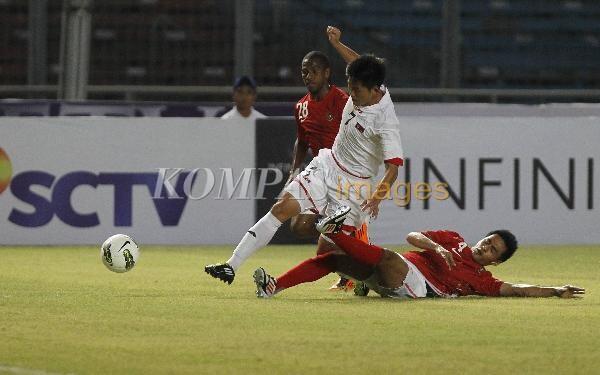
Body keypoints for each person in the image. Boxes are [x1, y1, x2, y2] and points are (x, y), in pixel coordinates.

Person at [205, 26, 404, 285]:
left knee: (328, 255)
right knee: (281, 209)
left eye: (357, 91)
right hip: (328, 164)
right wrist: (337, 43)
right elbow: (360, 64)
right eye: (350, 87)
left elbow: (393, 168)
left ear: (374, 89)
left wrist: (376, 199)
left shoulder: (387, 123)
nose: (351, 95)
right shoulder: (364, 82)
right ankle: (231, 265)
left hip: (354, 186)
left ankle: (365, 280)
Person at [253, 206, 586, 299]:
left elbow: (515, 289)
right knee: (329, 260)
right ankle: (273, 288)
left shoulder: (481, 279)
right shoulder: (453, 239)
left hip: (416, 287)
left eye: (492, 250)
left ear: (495, 261)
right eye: (488, 240)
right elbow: (412, 235)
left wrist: (554, 290)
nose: (485, 247)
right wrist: (436, 247)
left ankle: (334, 230)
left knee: (386, 258)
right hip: (395, 273)